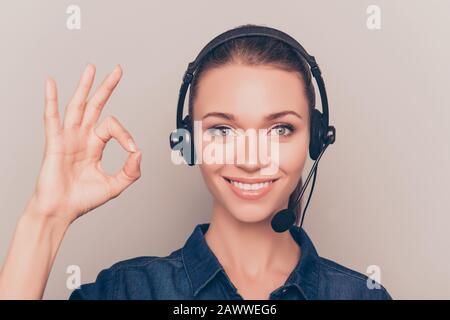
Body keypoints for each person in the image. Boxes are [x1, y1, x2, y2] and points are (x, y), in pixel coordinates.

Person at [0, 24, 391, 300]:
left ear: (317, 138)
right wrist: (45, 217)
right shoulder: (127, 291)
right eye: (222, 131)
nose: (251, 160)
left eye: (279, 130)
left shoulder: (361, 296)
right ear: (188, 142)